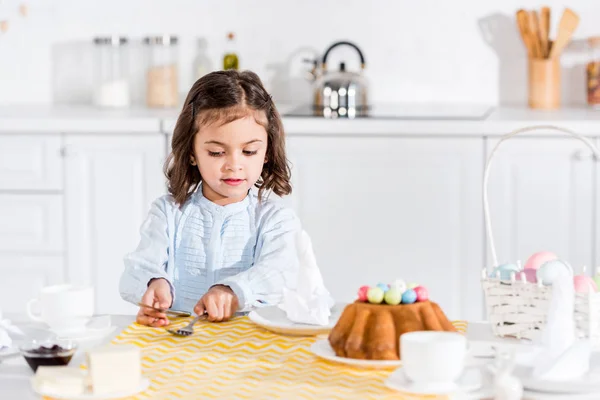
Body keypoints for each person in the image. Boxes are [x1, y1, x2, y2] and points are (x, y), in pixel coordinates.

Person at [119, 70, 301, 326]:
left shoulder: (275, 220)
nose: (234, 165)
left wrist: (234, 292)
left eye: (249, 151)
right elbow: (135, 269)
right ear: (192, 152)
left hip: (247, 347)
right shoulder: (169, 212)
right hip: (181, 341)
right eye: (216, 152)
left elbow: (280, 273)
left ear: (268, 151)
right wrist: (153, 284)